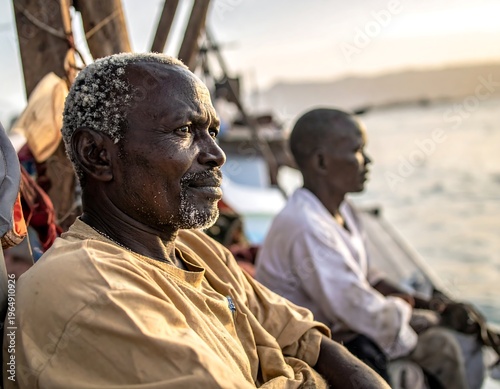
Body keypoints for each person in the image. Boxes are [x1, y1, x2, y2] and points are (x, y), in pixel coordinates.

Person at [3, 54, 390, 389]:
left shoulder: (191, 246)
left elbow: (307, 338)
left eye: (213, 132)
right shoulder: (93, 293)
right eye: (185, 131)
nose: (217, 154)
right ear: (98, 155)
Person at [255, 108, 477, 389]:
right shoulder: (305, 226)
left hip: (344, 334)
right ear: (321, 162)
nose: (368, 161)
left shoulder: (342, 210)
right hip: (314, 351)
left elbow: (368, 276)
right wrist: (416, 316)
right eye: (357, 151)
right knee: (442, 348)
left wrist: (427, 304)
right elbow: (359, 308)